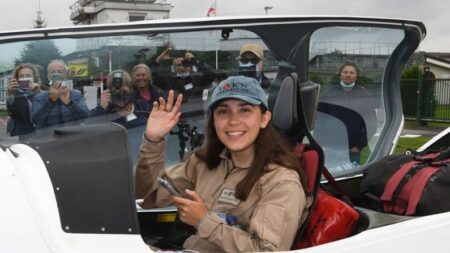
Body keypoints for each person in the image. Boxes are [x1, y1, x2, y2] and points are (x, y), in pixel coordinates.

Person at [135, 75, 312, 252]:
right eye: (223, 111)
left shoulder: (281, 182)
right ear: (214, 120)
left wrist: (203, 221)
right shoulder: (205, 162)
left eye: (245, 110)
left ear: (264, 119)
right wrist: (153, 139)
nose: (233, 121)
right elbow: (149, 198)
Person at [319, 62, 377, 165]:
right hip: (330, 148)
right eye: (345, 72)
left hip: (352, 149)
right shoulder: (328, 93)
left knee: (350, 180)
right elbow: (319, 120)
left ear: (356, 75)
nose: (348, 75)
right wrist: (320, 144)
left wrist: (359, 146)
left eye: (352, 72)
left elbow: (371, 124)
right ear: (340, 74)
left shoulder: (365, 96)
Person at [31, 60, 89, 129]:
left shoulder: (76, 95)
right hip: (48, 138)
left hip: (72, 137)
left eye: (59, 71)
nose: (56, 74)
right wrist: (51, 101)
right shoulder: (39, 97)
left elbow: (86, 118)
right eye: (53, 72)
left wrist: (69, 103)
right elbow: (36, 121)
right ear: (48, 76)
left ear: (65, 75)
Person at [150, 48, 216, 101]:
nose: (181, 67)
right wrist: (158, 61)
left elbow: (211, 75)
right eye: (178, 65)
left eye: (184, 63)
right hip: (174, 114)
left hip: (196, 113)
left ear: (190, 64)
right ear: (174, 67)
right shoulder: (168, 79)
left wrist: (195, 60)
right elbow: (152, 77)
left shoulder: (197, 78)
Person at [6, 63, 42, 140]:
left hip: (41, 133)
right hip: (21, 135)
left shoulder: (41, 92)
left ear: (34, 78)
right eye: (21, 76)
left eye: (28, 76)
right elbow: (12, 111)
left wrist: (38, 93)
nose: (25, 78)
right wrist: (10, 94)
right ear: (17, 79)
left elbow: (47, 111)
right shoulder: (14, 93)